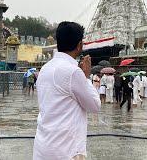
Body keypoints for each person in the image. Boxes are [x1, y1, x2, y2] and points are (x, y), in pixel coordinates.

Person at [33, 21, 101, 160]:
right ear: (79, 45)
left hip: (43, 146)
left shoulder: (46, 68)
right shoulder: (72, 72)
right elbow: (94, 106)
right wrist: (86, 77)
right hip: (66, 151)